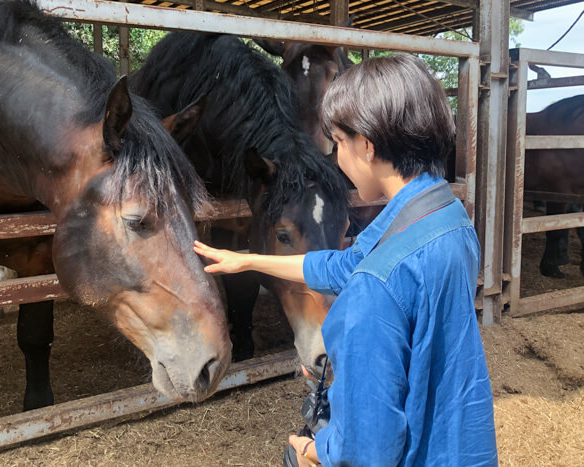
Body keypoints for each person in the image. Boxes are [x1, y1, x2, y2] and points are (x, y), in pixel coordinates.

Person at [193, 54, 498, 466]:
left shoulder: (376, 285)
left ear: (367, 146)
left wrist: (314, 450)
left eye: (338, 143)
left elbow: (367, 450)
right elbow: (342, 266)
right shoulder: (447, 219)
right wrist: (247, 262)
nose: (337, 158)